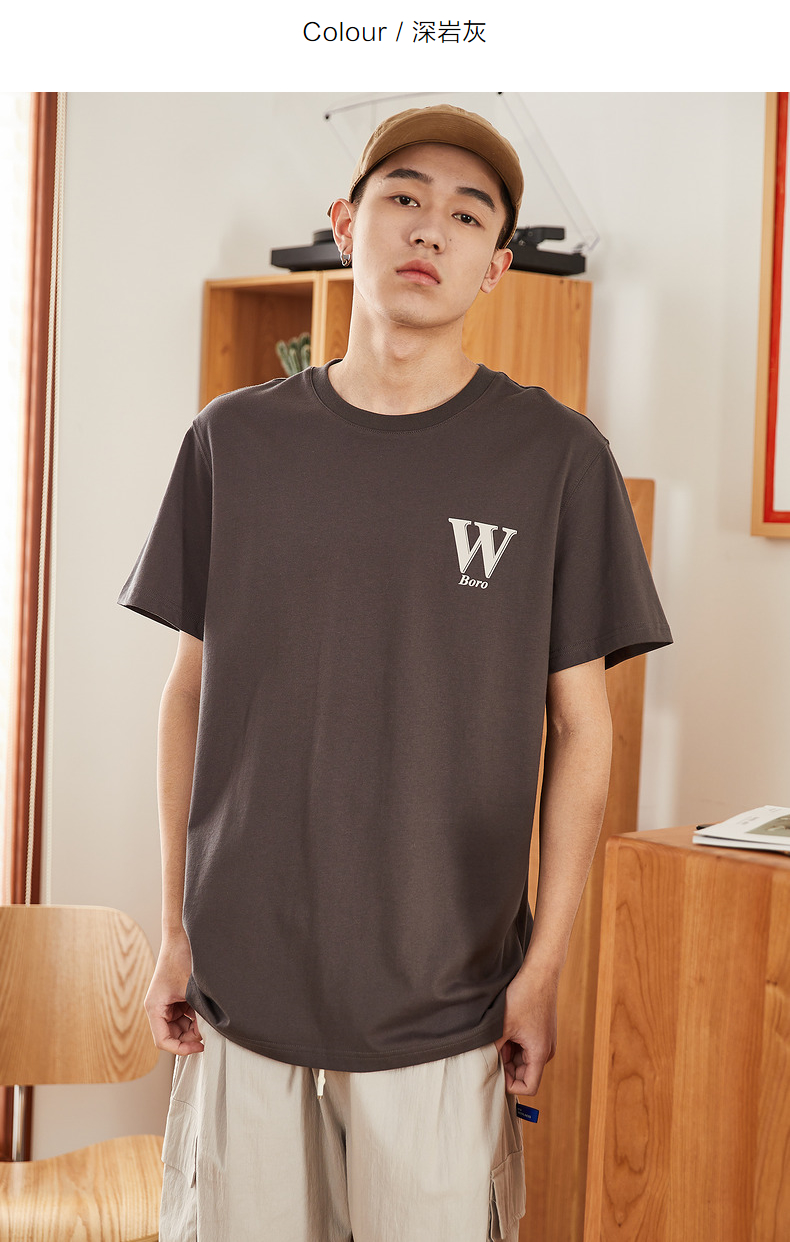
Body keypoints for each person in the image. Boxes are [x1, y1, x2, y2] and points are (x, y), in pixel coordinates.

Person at [117, 103, 672, 1242]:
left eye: (467, 216)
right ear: (344, 223)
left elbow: (586, 728)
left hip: (446, 1002)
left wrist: (544, 968)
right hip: (241, 988)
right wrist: (173, 926)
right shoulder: (231, 442)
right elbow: (188, 693)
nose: (430, 229)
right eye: (403, 198)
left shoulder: (558, 459)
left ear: (496, 267)